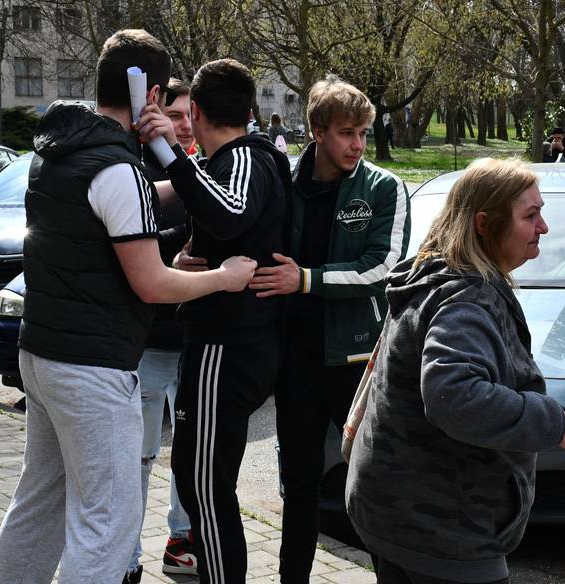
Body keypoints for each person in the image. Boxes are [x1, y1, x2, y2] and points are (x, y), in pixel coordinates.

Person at [0, 29, 256, 584]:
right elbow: (153, 285)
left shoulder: (62, 152)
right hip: (92, 369)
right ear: (149, 95)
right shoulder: (116, 168)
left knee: (38, 505)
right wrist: (224, 278)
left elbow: (117, 203)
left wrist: (184, 176)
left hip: (42, 354)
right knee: (107, 523)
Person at [345, 157, 565, 584]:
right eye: (530, 215)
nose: (544, 227)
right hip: (443, 533)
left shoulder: (431, 274)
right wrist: (555, 422)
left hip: (393, 511)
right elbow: (453, 396)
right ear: (484, 224)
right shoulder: (465, 300)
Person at [248, 75, 411, 584]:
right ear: (317, 131)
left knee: (377, 485)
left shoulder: (384, 187)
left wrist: (306, 280)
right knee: (297, 487)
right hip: (294, 363)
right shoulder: (282, 184)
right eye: (346, 133)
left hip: (358, 365)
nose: (358, 145)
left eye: (363, 132)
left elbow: (383, 268)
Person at [146, 58, 291, 584]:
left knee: (204, 487)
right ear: (251, 110)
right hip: (231, 346)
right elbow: (209, 213)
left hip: (225, 350)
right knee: (202, 484)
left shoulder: (247, 158)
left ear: (200, 110)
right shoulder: (238, 162)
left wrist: (172, 156)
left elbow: (228, 211)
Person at [123, 77, 196, 584]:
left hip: (193, 338)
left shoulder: (199, 164)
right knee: (140, 456)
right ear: (152, 115)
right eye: (177, 115)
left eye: (192, 114)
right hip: (148, 341)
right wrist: (181, 252)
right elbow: (138, 244)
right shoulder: (137, 169)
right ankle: (125, 558)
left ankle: (181, 543)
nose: (186, 124)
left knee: (189, 457)